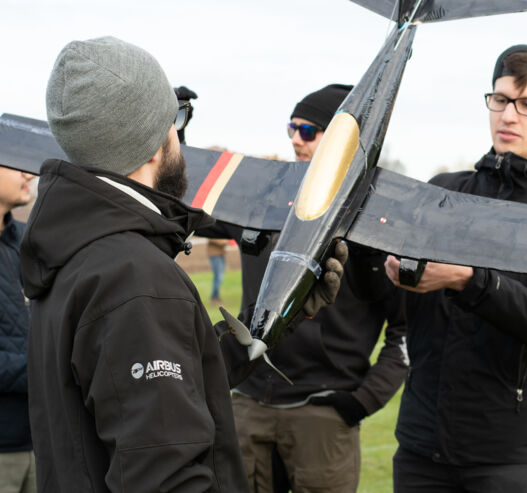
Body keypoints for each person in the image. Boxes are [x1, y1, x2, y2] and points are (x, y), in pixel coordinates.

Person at [20, 36, 343, 492]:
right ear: (152, 141)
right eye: (175, 119)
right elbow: (165, 476)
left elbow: (170, 384)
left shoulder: (71, 251)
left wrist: (274, 317)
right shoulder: (133, 276)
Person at [384, 44, 527, 492]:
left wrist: (471, 279)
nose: (509, 115)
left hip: (512, 459)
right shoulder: (443, 194)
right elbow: (395, 309)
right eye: (501, 99)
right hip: (421, 449)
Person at [229, 84, 408, 493]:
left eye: (309, 130)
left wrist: (360, 402)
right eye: (291, 127)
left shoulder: (374, 227)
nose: (295, 138)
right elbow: (191, 213)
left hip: (323, 415)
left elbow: (406, 330)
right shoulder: (266, 205)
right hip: (248, 403)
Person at [0, 166, 36, 493]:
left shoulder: (26, 242)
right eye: (13, 163)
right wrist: (44, 368)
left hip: (40, 441)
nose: (29, 174)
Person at [207, 238, 229, 304]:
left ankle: (216, 297)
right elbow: (212, 239)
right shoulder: (211, 230)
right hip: (215, 255)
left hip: (221, 254)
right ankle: (214, 298)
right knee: (218, 277)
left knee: (220, 277)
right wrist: (225, 241)